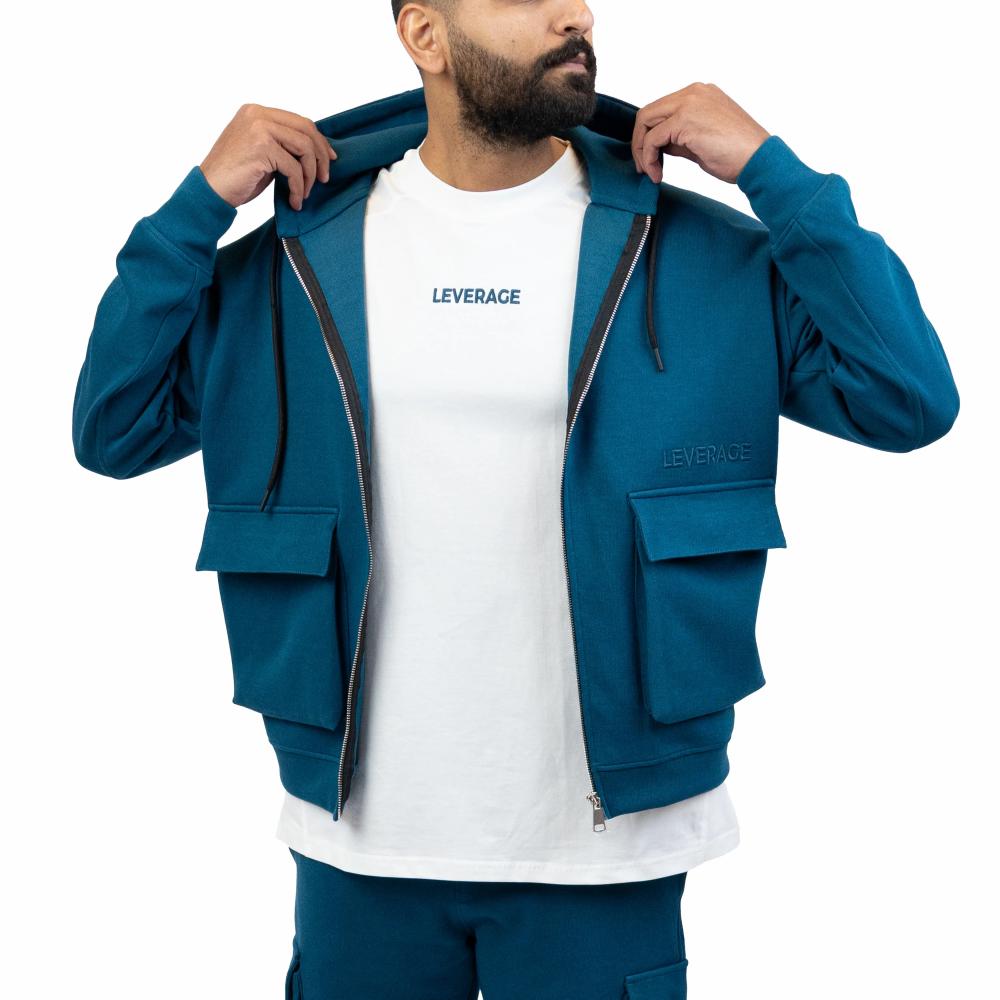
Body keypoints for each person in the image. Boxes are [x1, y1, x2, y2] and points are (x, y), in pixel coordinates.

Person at [71, 2, 961, 997]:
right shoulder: (287, 260)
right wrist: (194, 209)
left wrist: (775, 175)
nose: (573, 14)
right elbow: (114, 429)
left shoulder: (709, 255)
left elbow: (907, 399)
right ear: (425, 35)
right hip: (361, 838)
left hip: (609, 845)